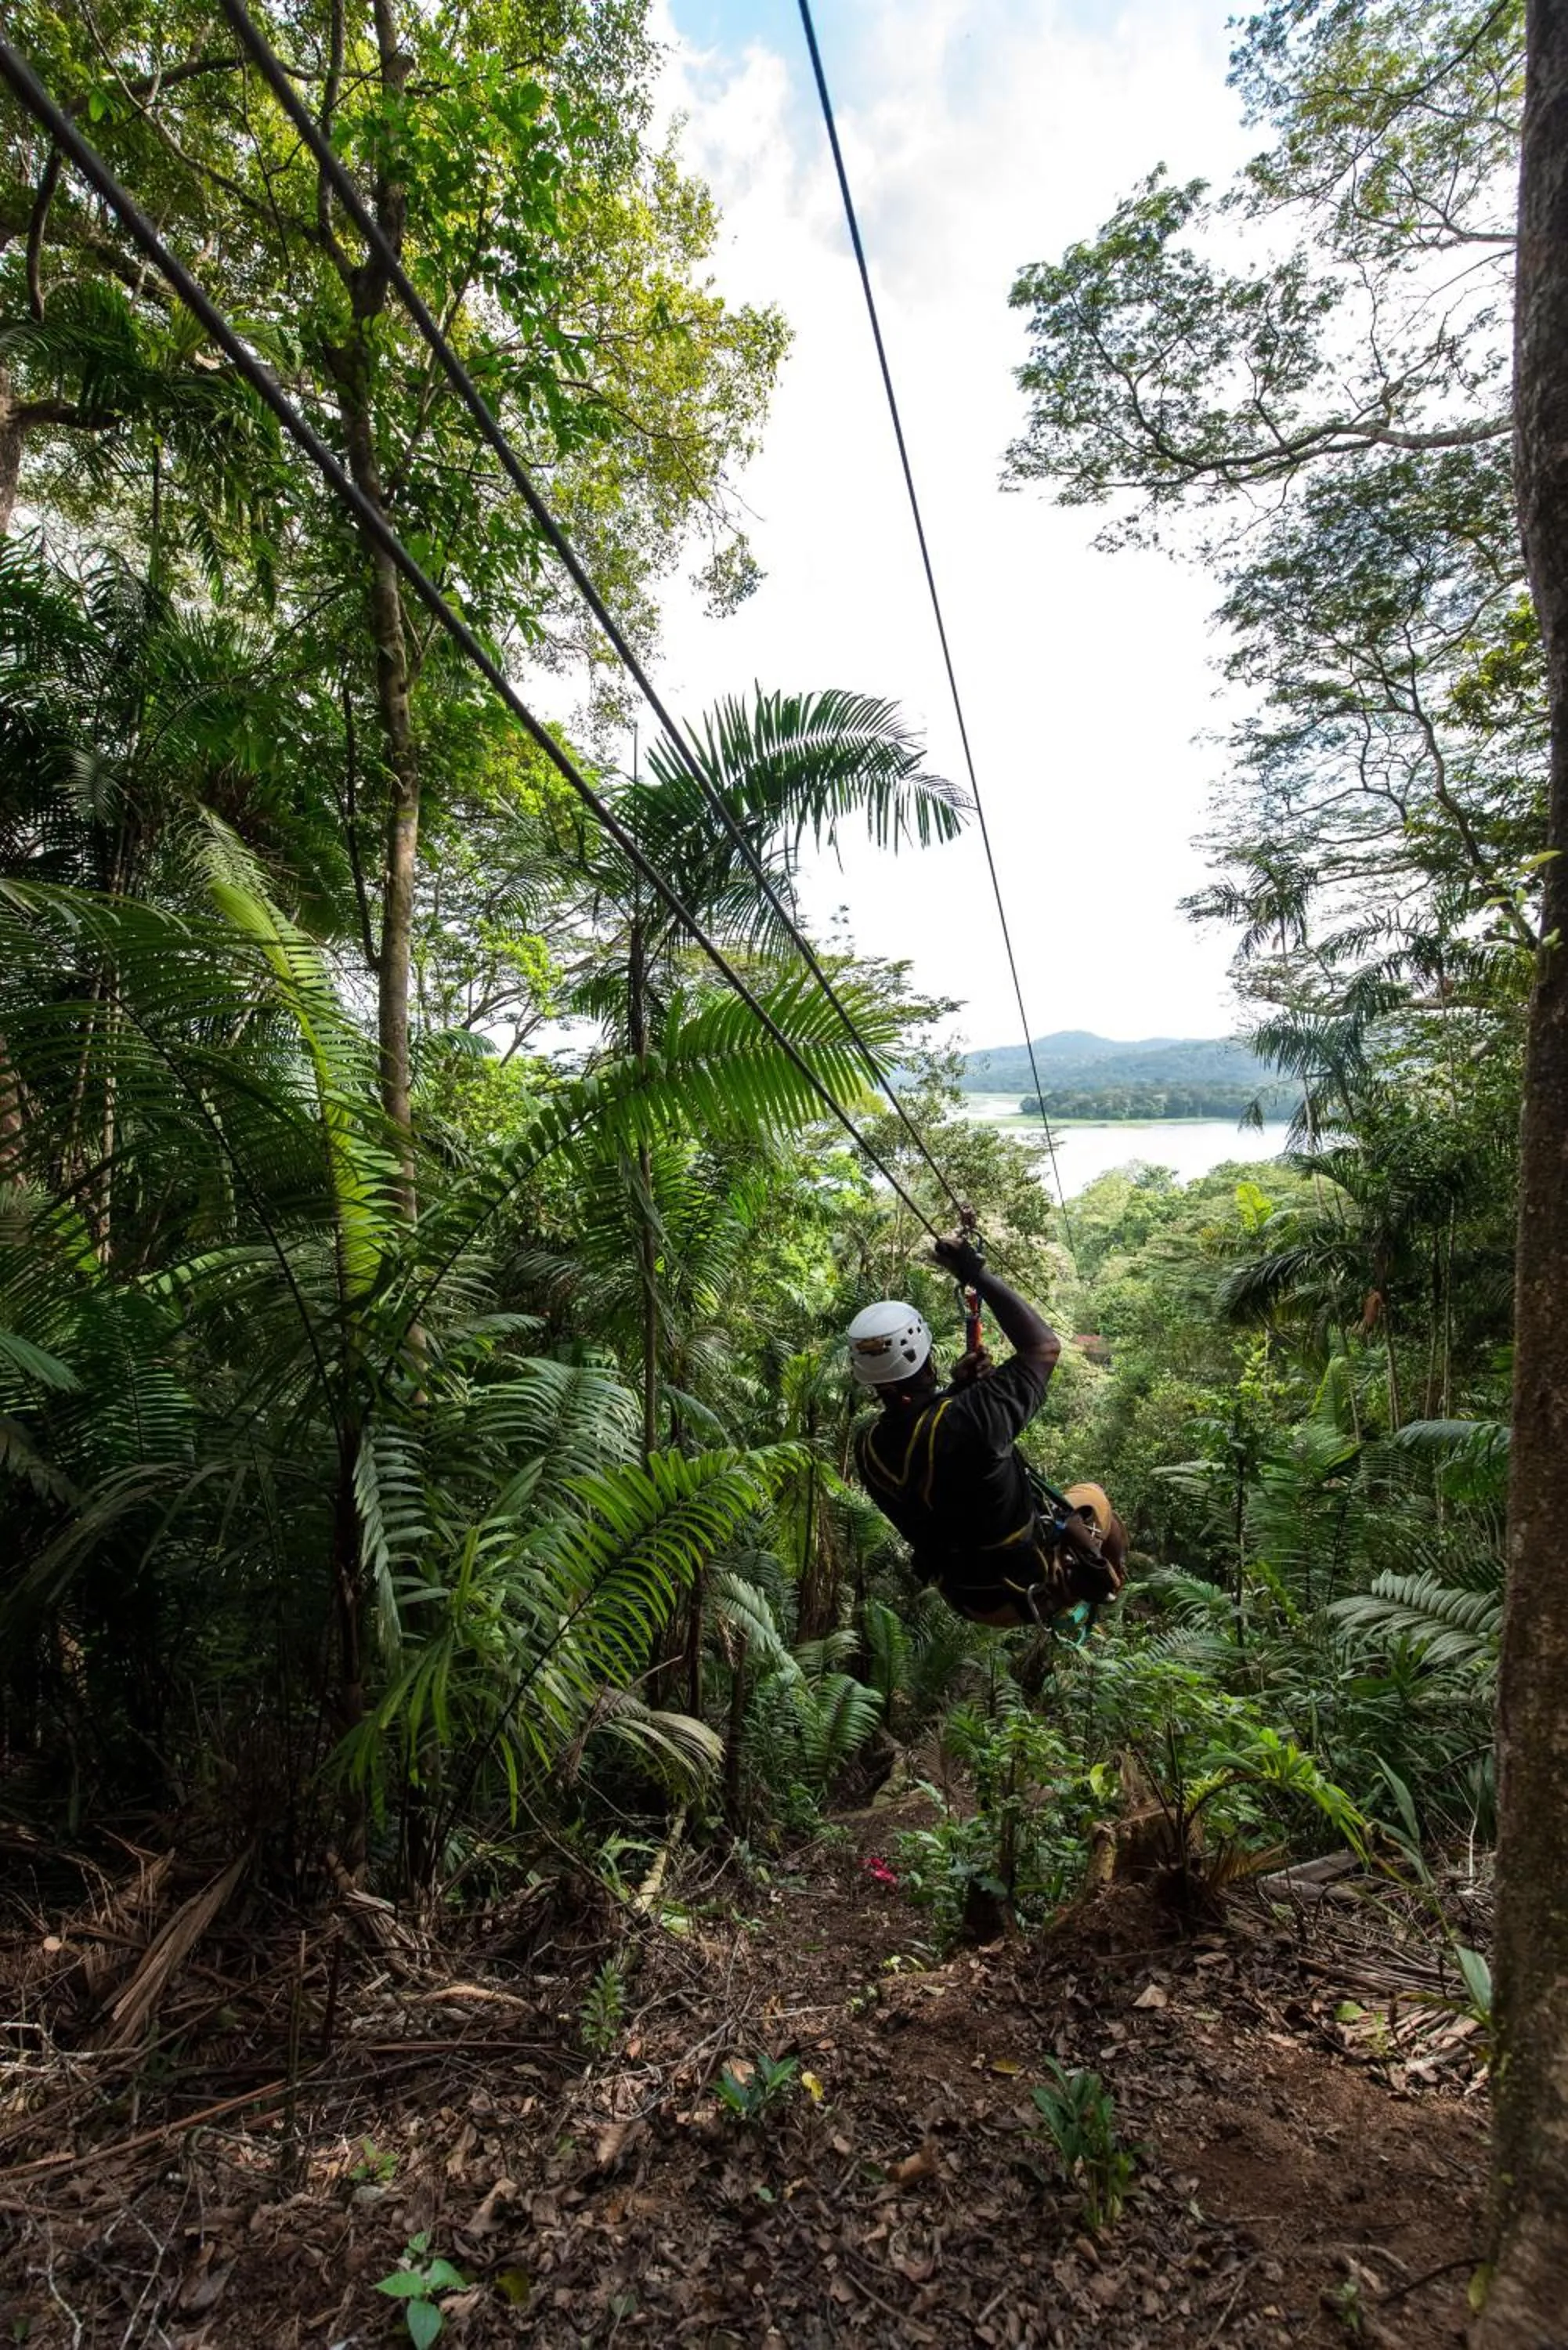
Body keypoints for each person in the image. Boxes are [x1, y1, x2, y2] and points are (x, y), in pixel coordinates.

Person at [846, 1231, 1125, 1629]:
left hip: (969, 1598)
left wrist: (955, 1390)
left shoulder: (868, 1446)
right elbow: (1043, 1348)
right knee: (1094, 1497)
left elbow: (928, 1443)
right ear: (925, 1357)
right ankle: (1110, 1579)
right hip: (1028, 1586)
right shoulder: (974, 1417)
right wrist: (975, 1273)